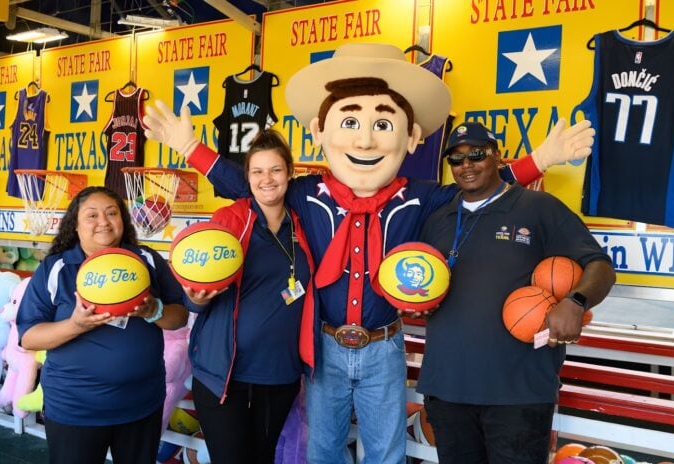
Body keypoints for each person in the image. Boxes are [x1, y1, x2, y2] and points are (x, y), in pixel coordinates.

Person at [143, 43, 595, 463]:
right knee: (324, 451)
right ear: (321, 131)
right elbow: (254, 184)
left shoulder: (419, 197)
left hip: (384, 343)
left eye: (382, 125)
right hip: (325, 343)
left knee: (385, 452)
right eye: (351, 124)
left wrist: (541, 157)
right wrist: (190, 148)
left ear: (411, 135)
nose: (364, 142)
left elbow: (480, 186)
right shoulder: (306, 192)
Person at [417, 121, 616, 464]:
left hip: (518, 392)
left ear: (496, 157)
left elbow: (600, 265)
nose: (467, 165)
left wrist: (575, 301)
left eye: (477, 155)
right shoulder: (438, 217)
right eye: (457, 159)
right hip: (447, 386)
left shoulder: (538, 207)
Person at [16, 186, 188, 464]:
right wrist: (76, 325)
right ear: (75, 225)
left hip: (141, 406)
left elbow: (179, 316)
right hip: (76, 410)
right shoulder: (55, 268)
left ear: (123, 219)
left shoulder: (146, 260)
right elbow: (29, 338)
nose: (104, 222)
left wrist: (153, 311)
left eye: (112, 213)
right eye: (92, 215)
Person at [182, 129, 314, 463]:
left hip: (280, 373)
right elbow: (195, 297)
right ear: (247, 178)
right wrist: (197, 297)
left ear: (290, 174)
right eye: (257, 171)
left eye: (275, 170)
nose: (266, 179)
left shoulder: (305, 223)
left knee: (262, 458)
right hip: (224, 374)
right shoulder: (230, 219)